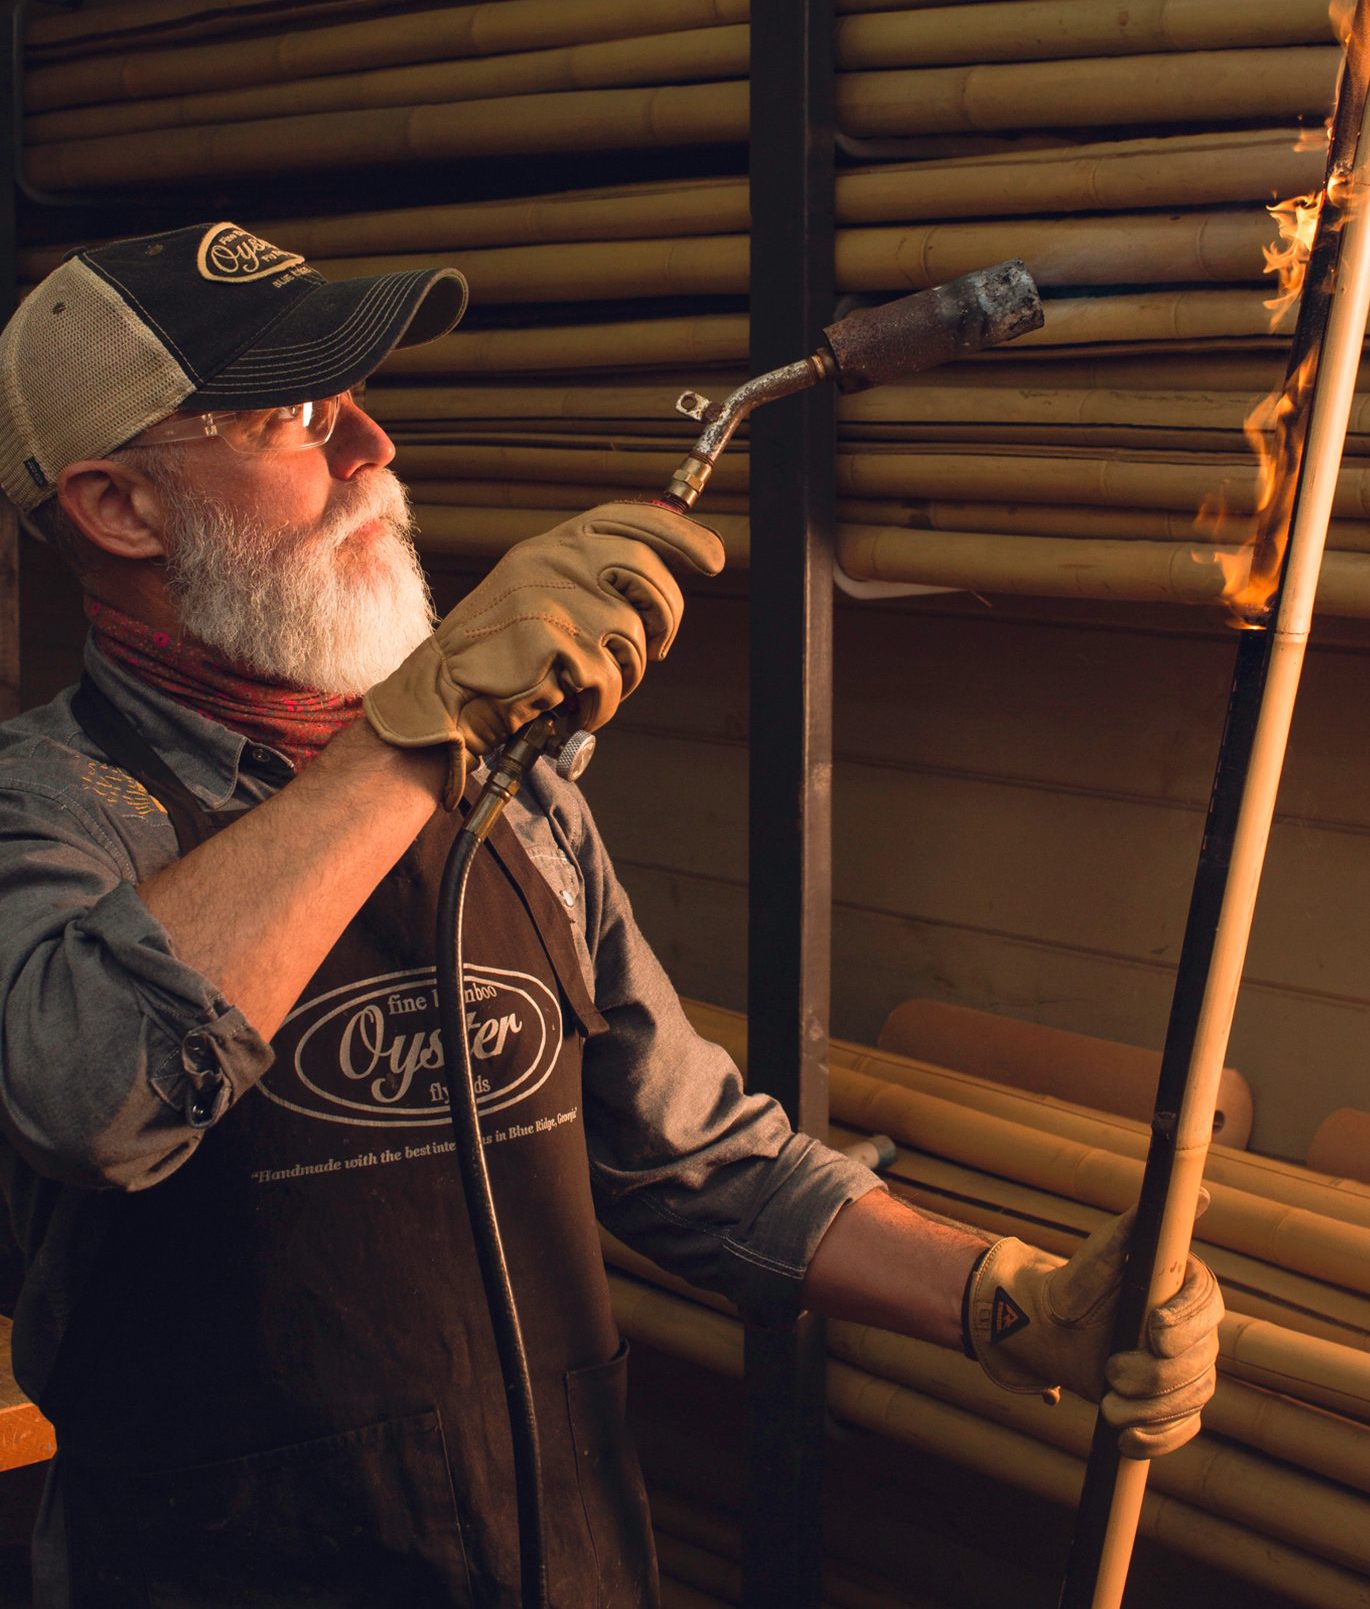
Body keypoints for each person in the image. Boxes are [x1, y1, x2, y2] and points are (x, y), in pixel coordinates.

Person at [0, 222, 1223, 1608]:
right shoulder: (46, 812)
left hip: (558, 1562)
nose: (372, 452)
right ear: (120, 509)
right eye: (296, 415)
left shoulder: (512, 793)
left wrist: (1002, 1296)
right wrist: (415, 740)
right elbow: (88, 1093)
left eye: (357, 400)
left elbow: (693, 1158)